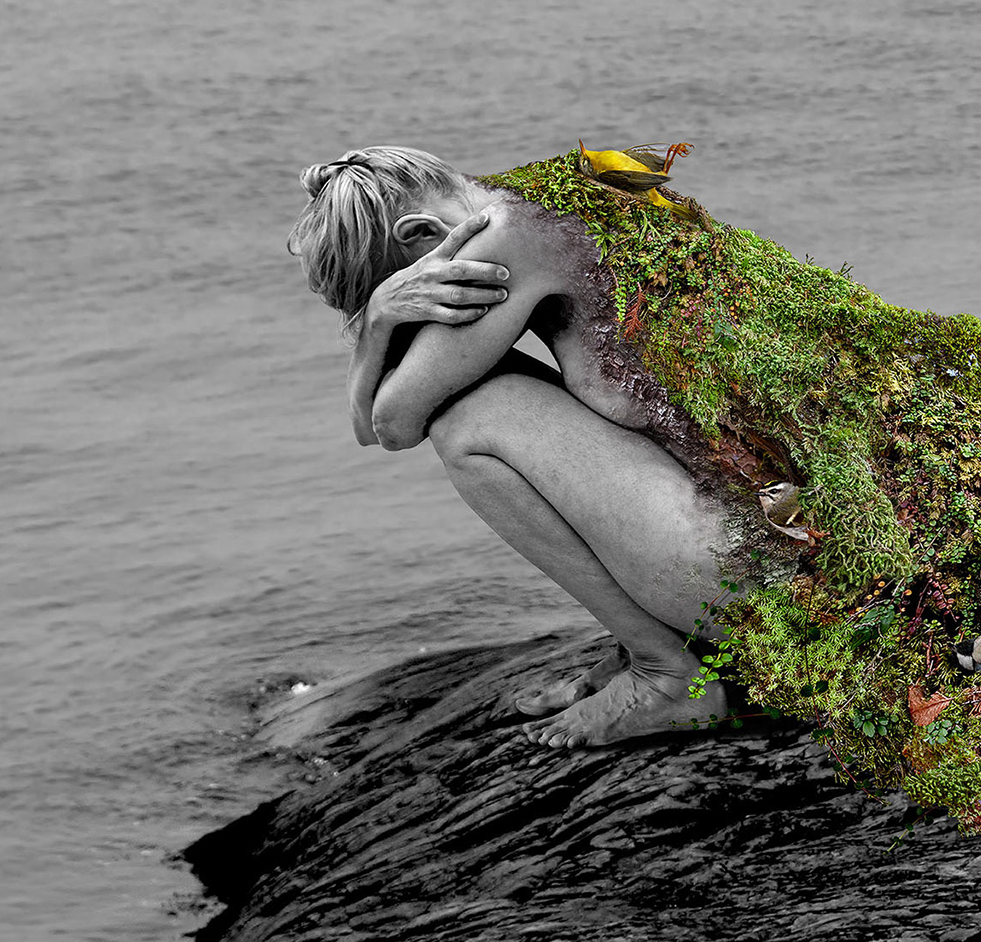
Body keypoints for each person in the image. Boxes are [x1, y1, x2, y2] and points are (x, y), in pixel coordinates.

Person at [289, 147, 735, 746]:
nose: (421, 321)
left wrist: (377, 323)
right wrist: (379, 316)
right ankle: (644, 648)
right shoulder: (541, 194)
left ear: (421, 233)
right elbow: (374, 426)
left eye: (416, 288)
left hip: (759, 574)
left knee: (464, 418)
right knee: (482, 376)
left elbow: (388, 427)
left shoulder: (504, 242)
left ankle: (668, 675)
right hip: (767, 543)